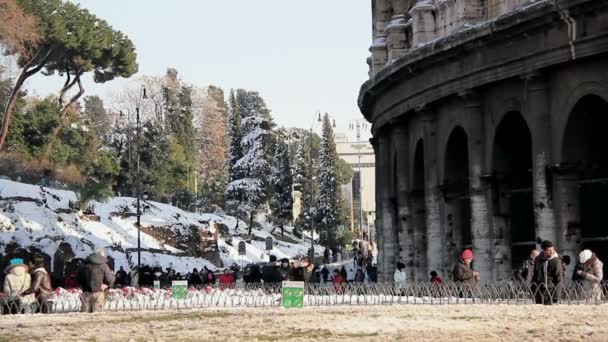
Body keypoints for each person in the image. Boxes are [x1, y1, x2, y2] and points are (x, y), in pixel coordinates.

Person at [530, 240, 563, 305]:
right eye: (549, 250)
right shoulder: (538, 259)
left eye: (552, 250)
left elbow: (559, 279)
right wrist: (533, 291)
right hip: (539, 291)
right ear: (544, 250)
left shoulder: (556, 261)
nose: (552, 252)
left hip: (550, 292)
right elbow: (535, 275)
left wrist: (556, 296)